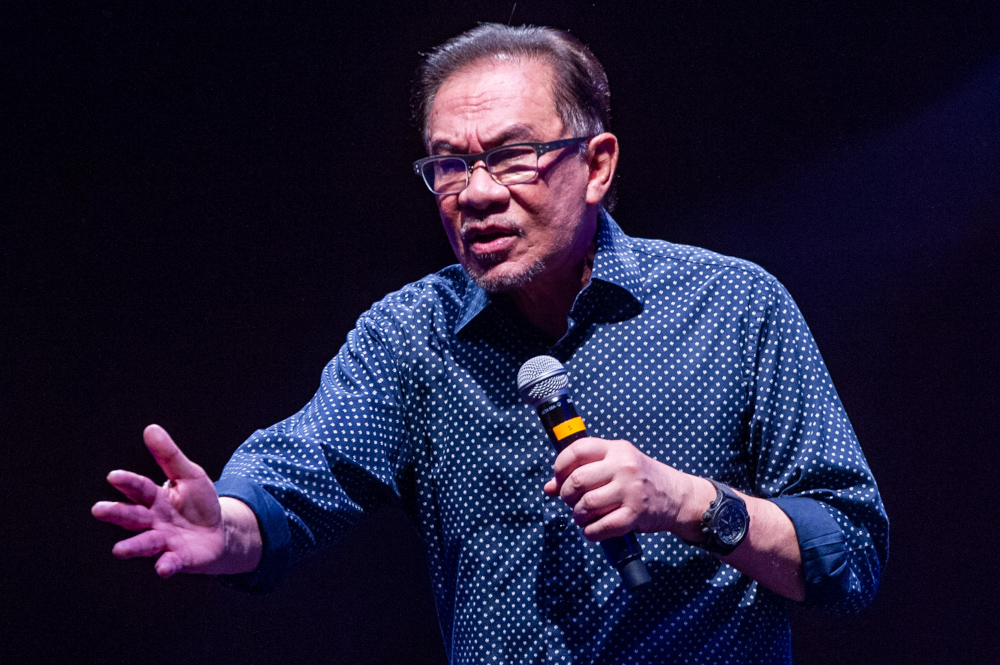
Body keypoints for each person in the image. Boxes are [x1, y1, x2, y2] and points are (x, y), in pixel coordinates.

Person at [92, 23, 888, 664]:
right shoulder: (412, 335)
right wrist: (226, 527)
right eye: (449, 165)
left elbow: (848, 551)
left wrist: (688, 503)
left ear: (597, 164)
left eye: (511, 157)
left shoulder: (733, 306)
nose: (475, 193)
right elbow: (301, 476)